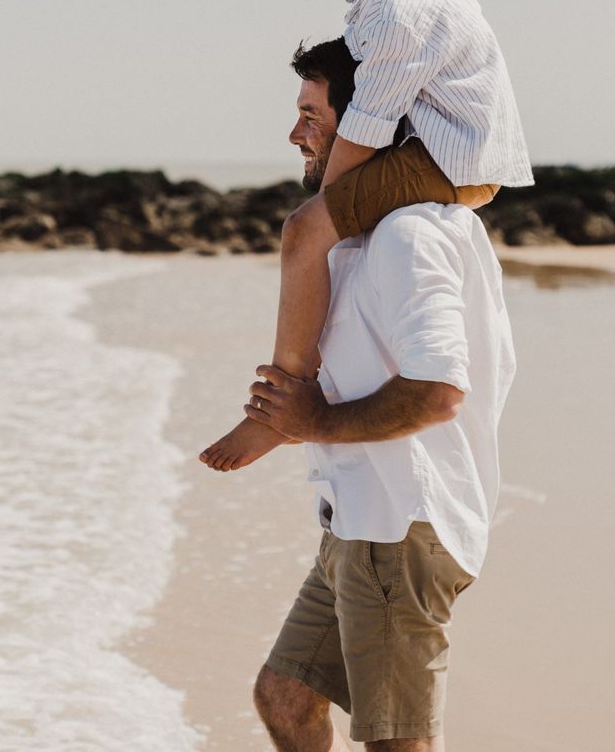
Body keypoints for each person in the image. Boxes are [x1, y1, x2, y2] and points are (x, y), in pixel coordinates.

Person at [200, 0, 531, 472]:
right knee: (322, 225)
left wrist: (321, 208)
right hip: (449, 149)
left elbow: (365, 127)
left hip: (448, 159)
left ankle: (275, 410)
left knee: (304, 231)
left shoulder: (395, 8)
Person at [231, 37, 517, 750]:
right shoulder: (361, 235)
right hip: (359, 519)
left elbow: (438, 392)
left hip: (399, 525)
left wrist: (313, 420)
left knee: (397, 741)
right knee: (287, 696)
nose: (295, 132)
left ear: (365, 127)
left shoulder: (407, 236)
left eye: (311, 115)